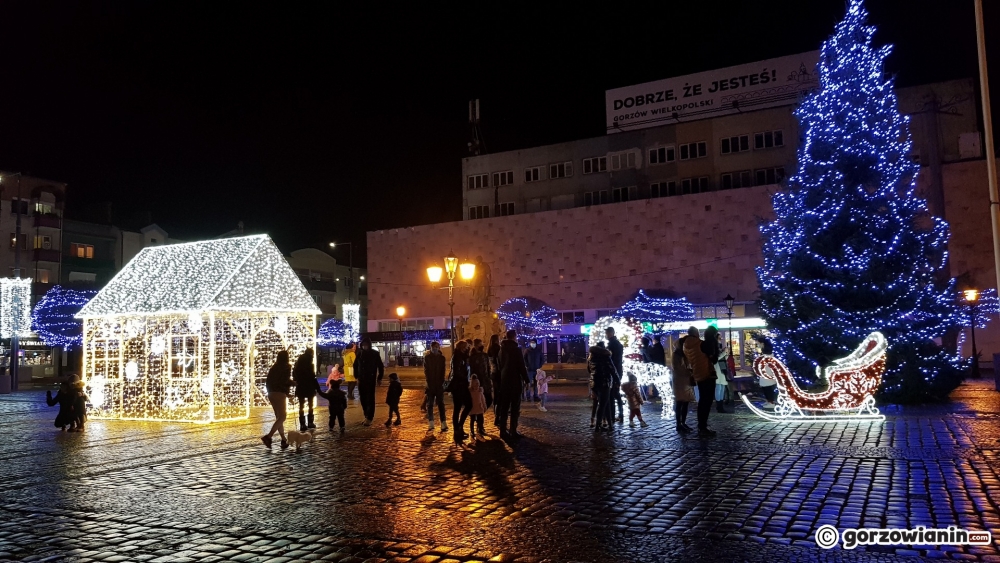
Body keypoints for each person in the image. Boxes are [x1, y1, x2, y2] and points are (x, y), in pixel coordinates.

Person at [683, 327, 717, 436]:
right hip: (707, 373)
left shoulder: (686, 345)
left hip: (697, 374)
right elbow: (714, 359)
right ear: (695, 333)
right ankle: (703, 426)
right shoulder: (701, 344)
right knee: (706, 401)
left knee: (702, 400)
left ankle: (701, 426)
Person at [497, 329, 529, 439]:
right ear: (514, 337)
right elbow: (521, 366)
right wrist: (527, 380)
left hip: (504, 380)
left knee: (504, 406)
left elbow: (499, 365)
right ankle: (513, 430)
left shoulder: (501, 350)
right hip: (515, 380)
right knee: (515, 407)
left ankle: (502, 431)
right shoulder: (516, 349)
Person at [262, 350, 294, 449]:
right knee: (282, 417)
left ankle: (284, 440)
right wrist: (293, 384)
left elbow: (270, 381)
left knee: (279, 418)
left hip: (271, 393)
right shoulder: (286, 367)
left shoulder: (274, 367)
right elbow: (285, 381)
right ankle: (268, 437)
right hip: (280, 393)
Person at [353, 337, 385, 426]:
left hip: (370, 379)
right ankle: (366, 415)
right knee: (363, 398)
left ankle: (369, 417)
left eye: (366, 345)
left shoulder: (374, 354)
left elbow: (380, 366)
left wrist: (379, 377)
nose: (365, 347)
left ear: (369, 345)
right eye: (363, 345)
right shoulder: (359, 353)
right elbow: (355, 365)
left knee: (370, 398)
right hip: (361, 379)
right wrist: (356, 376)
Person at [588, 341, 616, 432]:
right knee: (603, 405)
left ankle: (610, 425)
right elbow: (612, 369)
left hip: (594, 384)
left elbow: (589, 370)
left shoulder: (591, 358)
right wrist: (617, 380)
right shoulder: (606, 357)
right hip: (604, 383)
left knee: (605, 403)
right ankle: (598, 425)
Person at [450, 340, 473, 445]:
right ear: (461, 347)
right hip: (459, 385)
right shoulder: (457, 357)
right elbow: (457, 372)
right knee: (459, 407)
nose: (466, 348)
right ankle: (457, 430)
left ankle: (459, 427)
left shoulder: (462, 356)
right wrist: (465, 379)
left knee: (466, 405)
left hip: (462, 384)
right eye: (465, 347)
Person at [671, 337, 696, 433]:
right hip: (679, 381)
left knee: (685, 402)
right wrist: (688, 371)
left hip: (686, 381)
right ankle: (678, 424)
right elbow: (677, 368)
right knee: (680, 403)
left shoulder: (685, 354)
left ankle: (683, 422)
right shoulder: (676, 354)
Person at [423, 341, 448, 432]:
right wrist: (429, 383)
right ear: (431, 347)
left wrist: (442, 382)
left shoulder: (442, 358)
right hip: (430, 384)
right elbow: (426, 371)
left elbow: (443, 371)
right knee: (430, 404)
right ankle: (431, 423)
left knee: (441, 404)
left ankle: (443, 423)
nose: (436, 348)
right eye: (434, 347)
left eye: (437, 347)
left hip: (439, 384)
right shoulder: (427, 358)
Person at [293, 348, 319, 431]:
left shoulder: (298, 364)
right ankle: (310, 422)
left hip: (300, 386)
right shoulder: (310, 364)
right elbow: (312, 376)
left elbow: (294, 376)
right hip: (309, 386)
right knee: (310, 404)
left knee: (301, 405)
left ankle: (302, 424)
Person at [605, 327, 625, 424]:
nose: (606, 335)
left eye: (607, 333)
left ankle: (612, 416)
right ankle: (620, 415)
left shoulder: (613, 345)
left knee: (612, 395)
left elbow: (612, 360)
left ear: (610, 333)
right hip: (617, 372)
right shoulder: (616, 344)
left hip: (614, 372)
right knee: (616, 394)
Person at [470, 339, 493, 416]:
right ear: (476, 346)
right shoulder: (472, 356)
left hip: (486, 380)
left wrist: (489, 378)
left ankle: (481, 413)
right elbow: (472, 369)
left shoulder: (484, 355)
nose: (481, 346)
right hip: (478, 381)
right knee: (478, 401)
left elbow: (488, 367)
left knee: (489, 399)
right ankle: (479, 417)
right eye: (480, 344)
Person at [487, 334, 502, 425]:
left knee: (496, 392)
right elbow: (499, 360)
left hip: (493, 372)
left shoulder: (489, 349)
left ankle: (495, 409)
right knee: (500, 393)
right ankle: (498, 414)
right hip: (498, 372)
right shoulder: (497, 348)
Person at [524, 338, 544, 402]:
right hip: (529, 370)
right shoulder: (527, 350)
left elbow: (542, 359)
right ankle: (528, 396)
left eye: (534, 343)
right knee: (528, 383)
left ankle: (535, 396)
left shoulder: (538, 351)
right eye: (532, 342)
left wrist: (539, 366)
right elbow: (524, 359)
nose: (533, 344)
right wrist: (527, 365)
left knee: (536, 384)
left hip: (536, 370)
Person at [468, 374, 487, 442]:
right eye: (475, 384)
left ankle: (480, 428)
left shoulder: (480, 391)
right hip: (473, 408)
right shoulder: (470, 392)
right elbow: (468, 401)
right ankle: (472, 430)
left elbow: (483, 400)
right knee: (472, 420)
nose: (476, 386)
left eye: (477, 384)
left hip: (479, 407)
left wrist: (484, 407)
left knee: (480, 419)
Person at [714, 332, 729, 413]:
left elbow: (723, 359)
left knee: (722, 388)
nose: (720, 340)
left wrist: (726, 354)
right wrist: (724, 353)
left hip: (722, 369)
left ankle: (721, 405)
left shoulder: (719, 348)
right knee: (718, 388)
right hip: (717, 370)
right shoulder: (714, 348)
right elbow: (716, 358)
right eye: (719, 338)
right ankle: (719, 406)